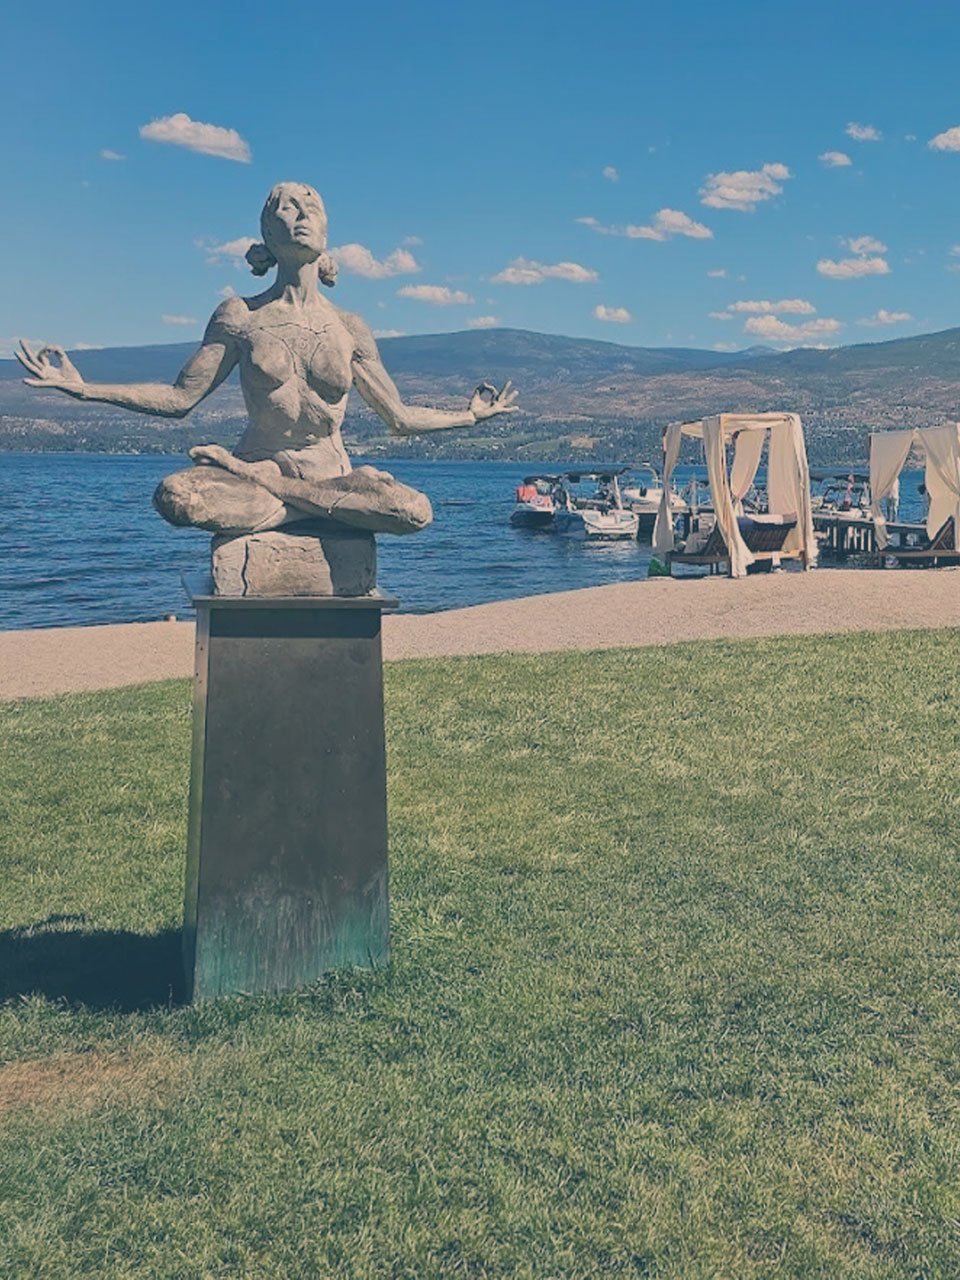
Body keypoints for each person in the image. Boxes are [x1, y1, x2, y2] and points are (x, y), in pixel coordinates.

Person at [17, 182, 519, 537]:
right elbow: (179, 399)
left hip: (319, 472)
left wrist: (470, 417)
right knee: (177, 496)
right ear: (267, 234)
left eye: (310, 207)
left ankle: (280, 497)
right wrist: (84, 389)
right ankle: (312, 505)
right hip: (270, 467)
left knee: (413, 510)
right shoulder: (241, 316)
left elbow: (400, 418)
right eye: (286, 208)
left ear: (326, 232)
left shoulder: (349, 328)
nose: (300, 216)